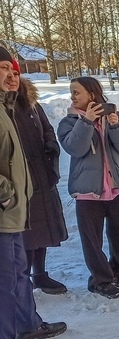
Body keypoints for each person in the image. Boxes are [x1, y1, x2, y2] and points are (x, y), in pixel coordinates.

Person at [0, 46, 66, 339]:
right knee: (9, 274)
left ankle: (27, 324)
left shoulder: (18, 105)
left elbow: (40, 136)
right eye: (3, 70)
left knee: (20, 268)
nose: (10, 77)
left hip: (24, 197)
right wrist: (7, 192)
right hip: (7, 205)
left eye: (14, 71)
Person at [58, 77, 119, 299]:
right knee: (92, 240)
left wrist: (116, 126)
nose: (72, 96)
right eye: (71, 92)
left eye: (77, 92)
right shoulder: (68, 122)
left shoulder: (116, 118)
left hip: (115, 188)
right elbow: (75, 148)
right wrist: (86, 122)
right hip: (88, 191)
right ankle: (101, 280)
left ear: (92, 95)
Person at [6, 60, 69, 294]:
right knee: (26, 232)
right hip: (19, 178)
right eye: (7, 73)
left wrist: (51, 145)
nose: (12, 78)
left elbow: (46, 128)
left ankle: (39, 274)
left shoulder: (29, 101)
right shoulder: (5, 105)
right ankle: (21, 282)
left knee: (43, 230)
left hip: (41, 173)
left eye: (15, 73)